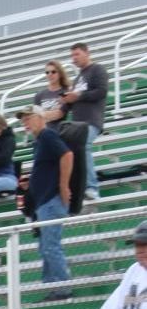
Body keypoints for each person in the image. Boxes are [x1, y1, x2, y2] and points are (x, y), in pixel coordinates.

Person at [18, 106, 74, 298]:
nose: (25, 123)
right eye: (22, 120)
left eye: (28, 118)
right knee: (45, 247)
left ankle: (63, 288)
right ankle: (52, 287)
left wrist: (63, 185)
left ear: (40, 117)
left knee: (50, 246)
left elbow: (67, 155)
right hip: (43, 203)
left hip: (51, 200)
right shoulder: (40, 141)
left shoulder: (48, 136)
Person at [60, 41, 108, 200]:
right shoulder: (78, 78)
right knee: (69, 153)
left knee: (83, 146)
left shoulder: (97, 69)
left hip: (91, 120)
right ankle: (80, 189)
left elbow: (101, 92)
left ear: (87, 53)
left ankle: (92, 188)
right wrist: (68, 100)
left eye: (77, 54)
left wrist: (78, 96)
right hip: (77, 124)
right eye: (72, 55)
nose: (74, 58)